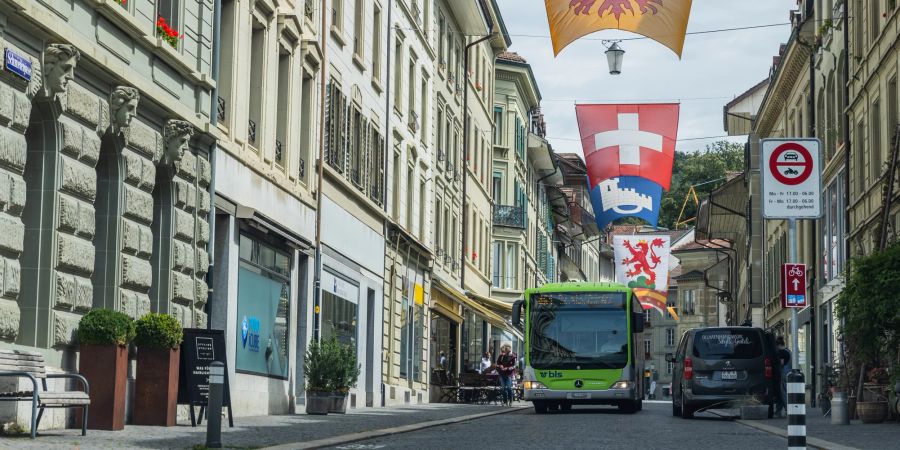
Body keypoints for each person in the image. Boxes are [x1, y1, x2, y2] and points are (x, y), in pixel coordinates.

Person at [774, 336, 792, 418]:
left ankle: (788, 410)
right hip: (789, 373)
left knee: (783, 392)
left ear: (778, 345)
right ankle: (778, 411)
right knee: (782, 392)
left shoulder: (781, 352)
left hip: (784, 373)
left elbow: (781, 363)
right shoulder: (788, 351)